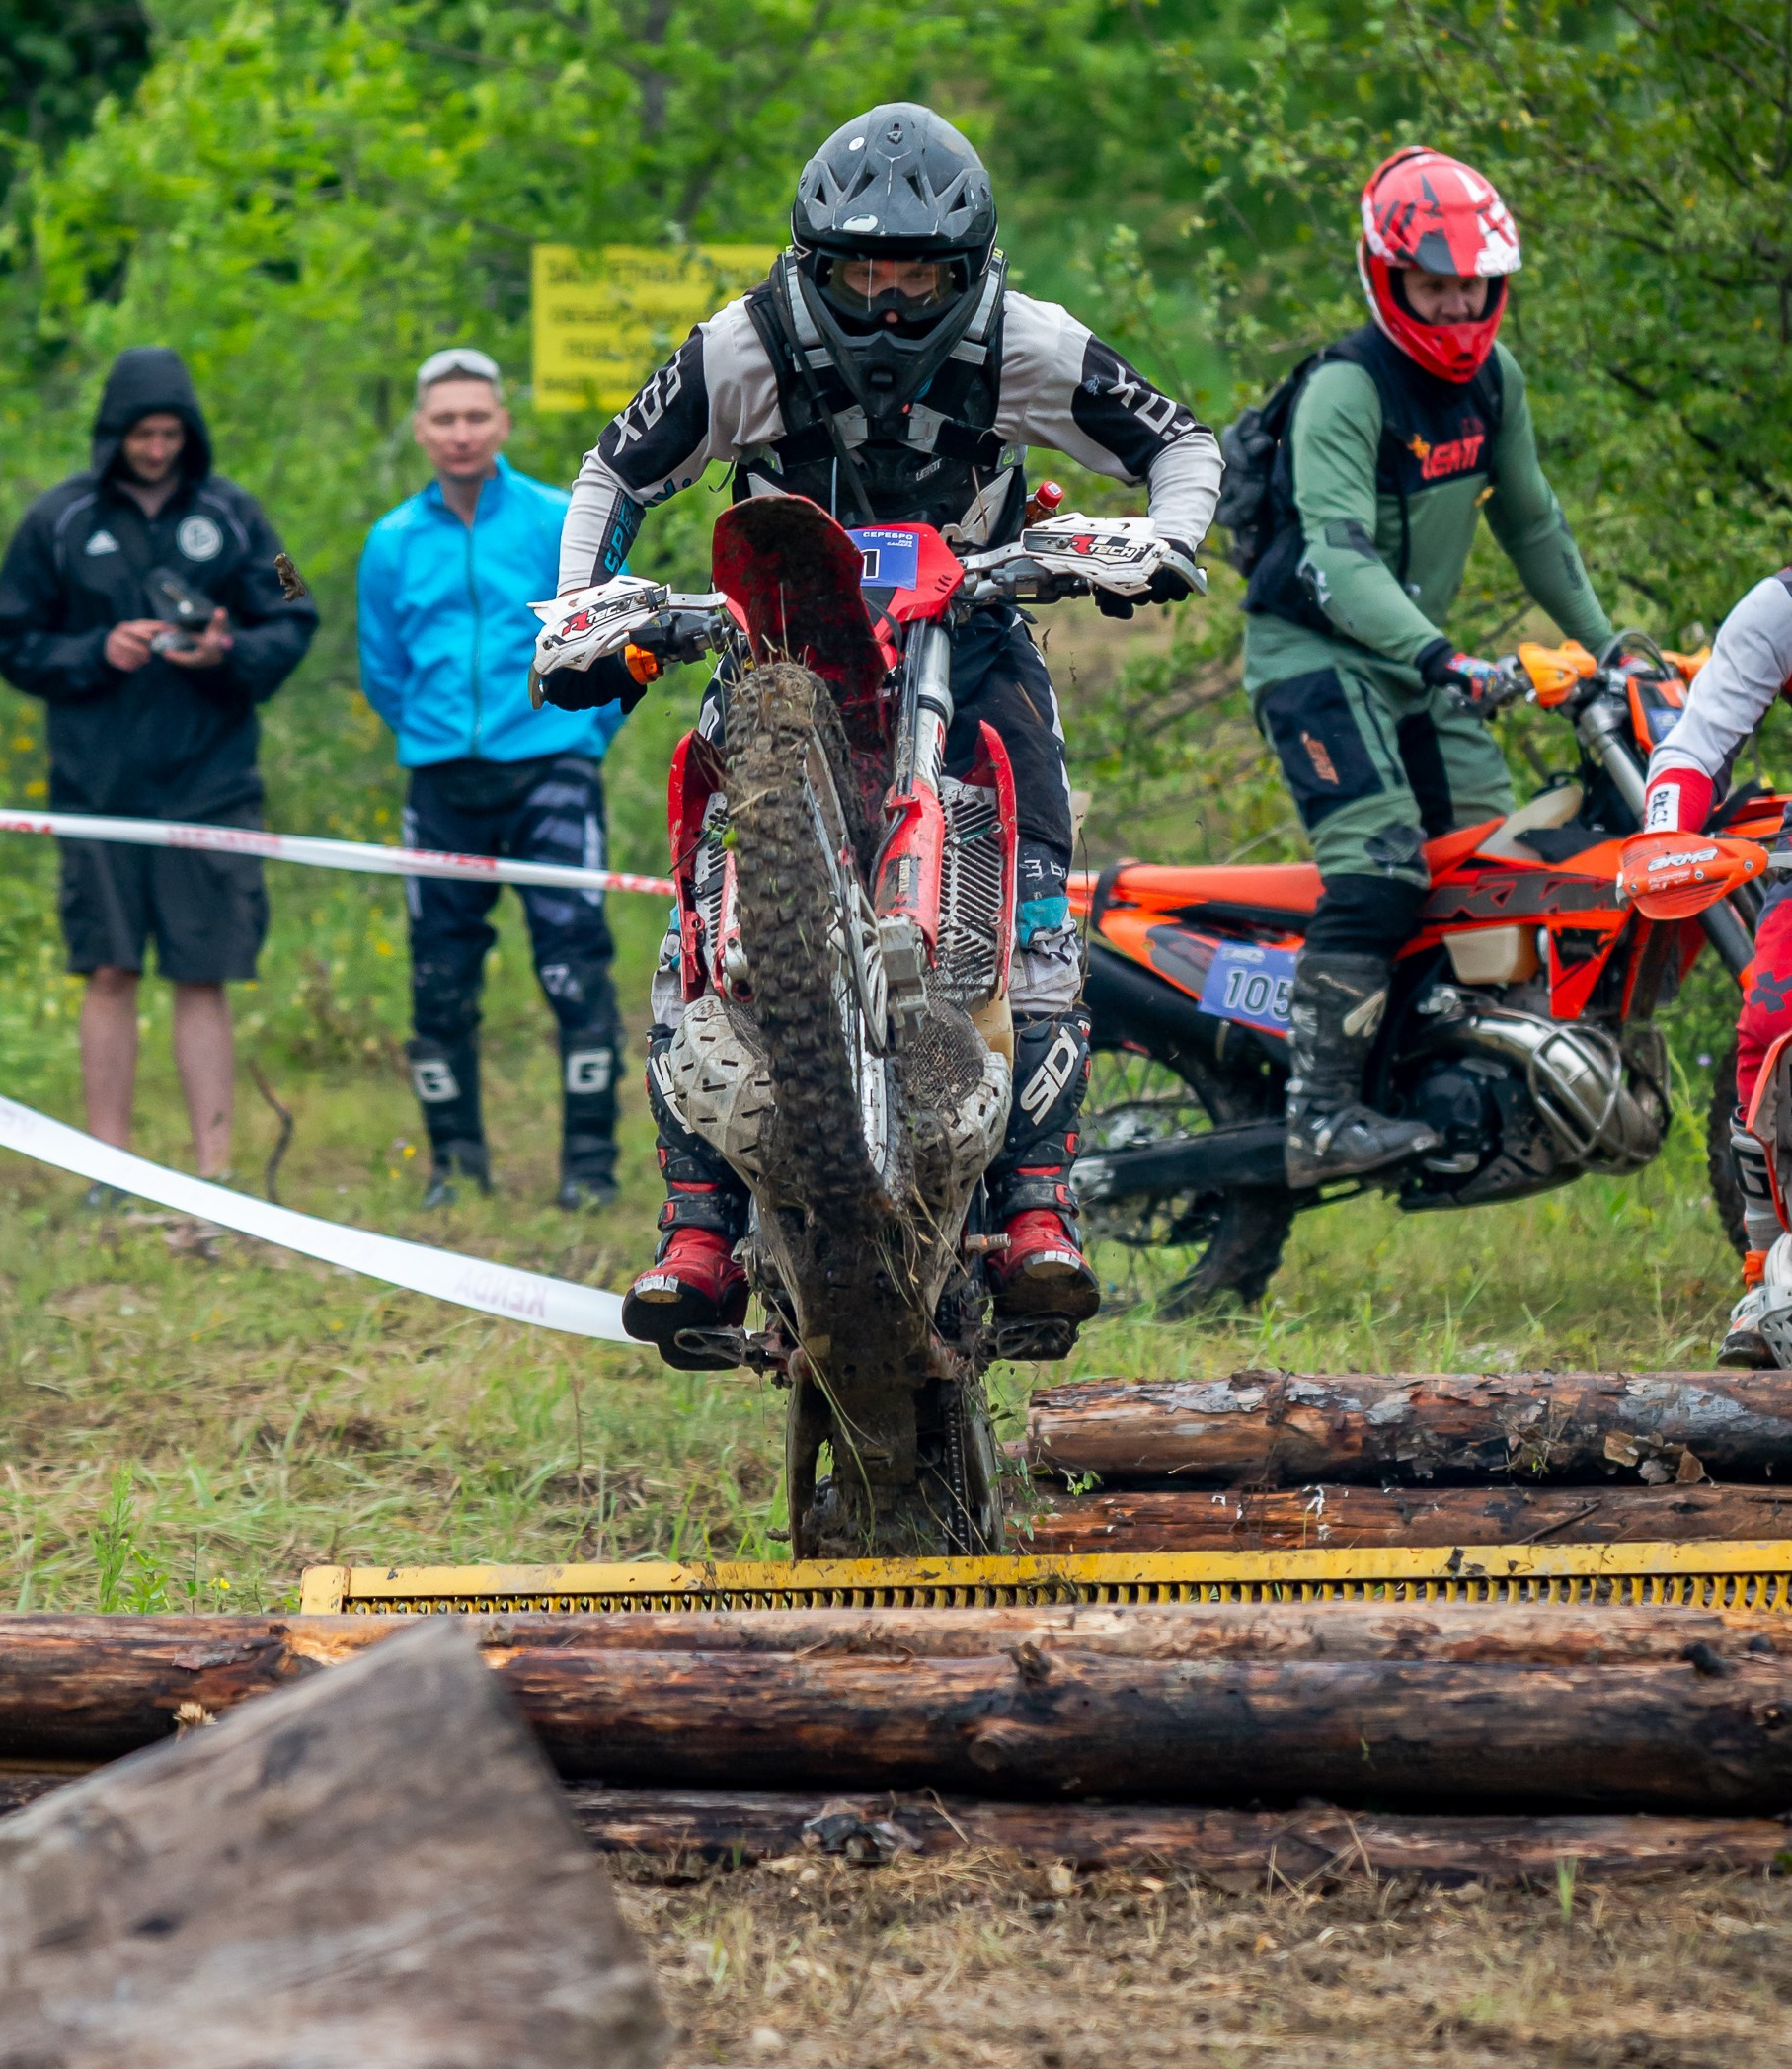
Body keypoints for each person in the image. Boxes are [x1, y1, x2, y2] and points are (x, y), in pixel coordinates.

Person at [530, 101, 1221, 1355]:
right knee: (702, 899)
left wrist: (1161, 540)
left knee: (1041, 894)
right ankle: (697, 1226)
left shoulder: (1030, 341)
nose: (888, 298)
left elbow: (1178, 438)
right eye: (860, 268)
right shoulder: (741, 346)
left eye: (916, 272)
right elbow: (614, 472)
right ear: (815, 264)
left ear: (966, 272)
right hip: (788, 628)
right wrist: (583, 604)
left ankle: (1035, 1206)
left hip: (978, 617)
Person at [1238, 147, 1613, 1188]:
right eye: (1433, 284)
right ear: (1386, 274)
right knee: (1383, 860)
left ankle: (1457, 1073)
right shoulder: (1347, 391)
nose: (1454, 306)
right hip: (1316, 656)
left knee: (1495, 867)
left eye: (1471, 286)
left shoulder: (1496, 382)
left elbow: (1536, 525)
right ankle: (1319, 1117)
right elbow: (1340, 557)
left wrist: (1613, 647)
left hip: (1419, 666)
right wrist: (1445, 656)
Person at [0, 348, 316, 1183]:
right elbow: (8, 636)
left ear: (189, 433)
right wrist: (98, 649)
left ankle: (214, 1172)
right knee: (110, 966)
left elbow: (295, 604)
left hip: (213, 781)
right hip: (97, 786)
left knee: (203, 972)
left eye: (171, 433)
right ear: (114, 433)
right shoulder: (53, 520)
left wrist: (226, 649)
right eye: (142, 433)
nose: (157, 449)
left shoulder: (241, 517)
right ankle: (111, 1166)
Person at [357, 347, 627, 1210]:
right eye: (445, 419)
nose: (462, 433)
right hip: (441, 781)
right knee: (439, 979)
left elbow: (608, 643)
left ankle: (589, 1170)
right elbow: (383, 669)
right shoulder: (391, 540)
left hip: (549, 767)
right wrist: (434, 734)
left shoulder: (555, 520)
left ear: (503, 423)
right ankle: (454, 1166)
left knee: (574, 970)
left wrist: (582, 732)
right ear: (420, 431)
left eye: (477, 416)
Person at [1635, 583, 1792, 1365]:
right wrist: (1666, 834)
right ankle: (1765, 1277)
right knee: (1767, 1026)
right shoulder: (1781, 607)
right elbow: (1696, 743)